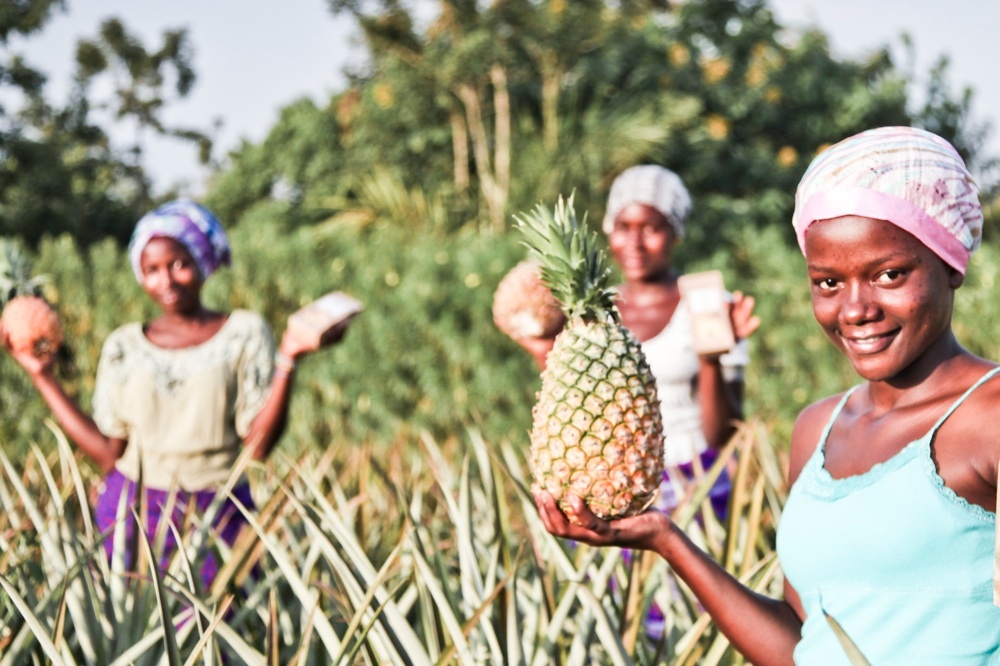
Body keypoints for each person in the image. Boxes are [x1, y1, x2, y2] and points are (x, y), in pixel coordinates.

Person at [534, 126, 1000, 664]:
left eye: (889, 274)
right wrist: (665, 538)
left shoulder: (987, 416)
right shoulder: (817, 429)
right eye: (827, 282)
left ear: (950, 264)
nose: (854, 310)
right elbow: (803, 642)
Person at [1, 200, 343, 589]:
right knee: (133, 637)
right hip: (132, 512)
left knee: (219, 634)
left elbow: (259, 447)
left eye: (179, 264)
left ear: (202, 261)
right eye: (151, 270)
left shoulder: (244, 333)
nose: (166, 281)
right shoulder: (124, 345)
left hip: (217, 513)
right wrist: (43, 377)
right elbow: (108, 453)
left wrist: (288, 357)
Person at [515, 164, 760, 520]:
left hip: (696, 485)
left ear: (675, 232)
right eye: (623, 227)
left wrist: (712, 358)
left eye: (651, 228)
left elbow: (723, 436)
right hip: (605, 485)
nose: (634, 243)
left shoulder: (708, 303)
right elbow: (574, 417)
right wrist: (544, 354)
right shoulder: (591, 315)